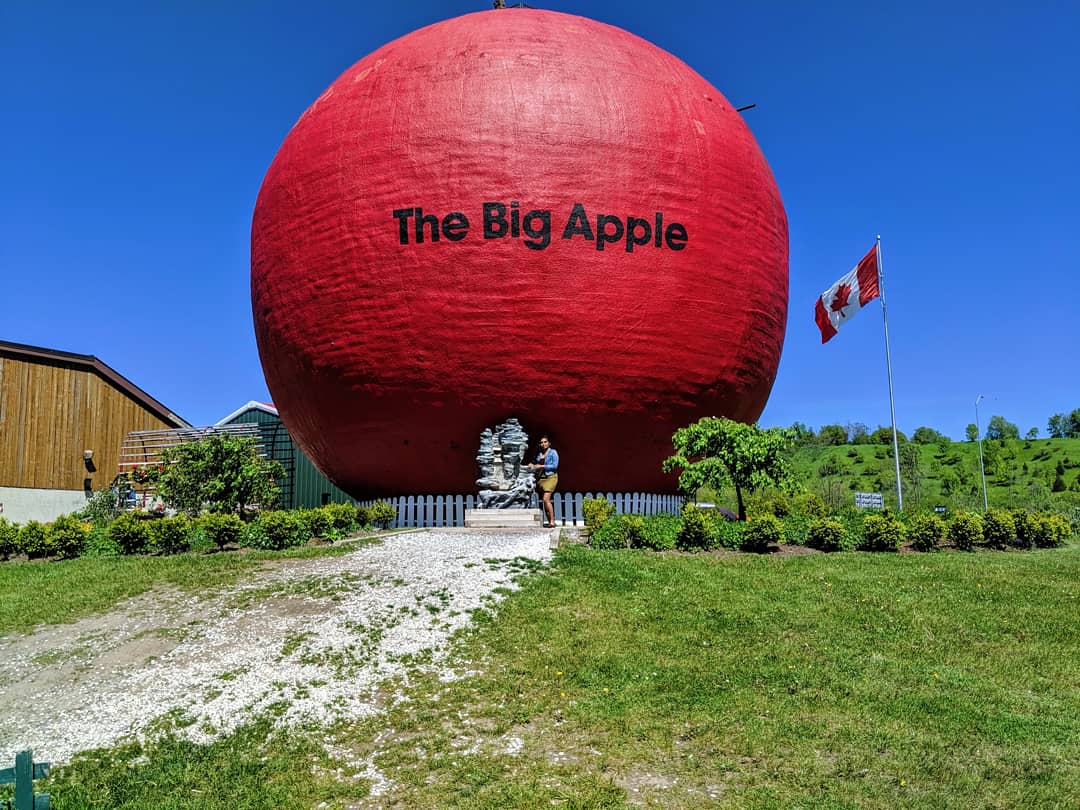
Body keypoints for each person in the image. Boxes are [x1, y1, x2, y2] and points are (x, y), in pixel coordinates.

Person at [526, 434, 559, 528]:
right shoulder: (539, 454)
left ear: (549, 443)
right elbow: (535, 463)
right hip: (541, 478)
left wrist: (542, 466)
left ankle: (552, 521)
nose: (543, 444)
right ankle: (549, 522)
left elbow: (555, 466)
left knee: (546, 499)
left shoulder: (553, 452)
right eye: (541, 442)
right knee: (544, 501)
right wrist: (532, 465)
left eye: (545, 442)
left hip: (551, 477)